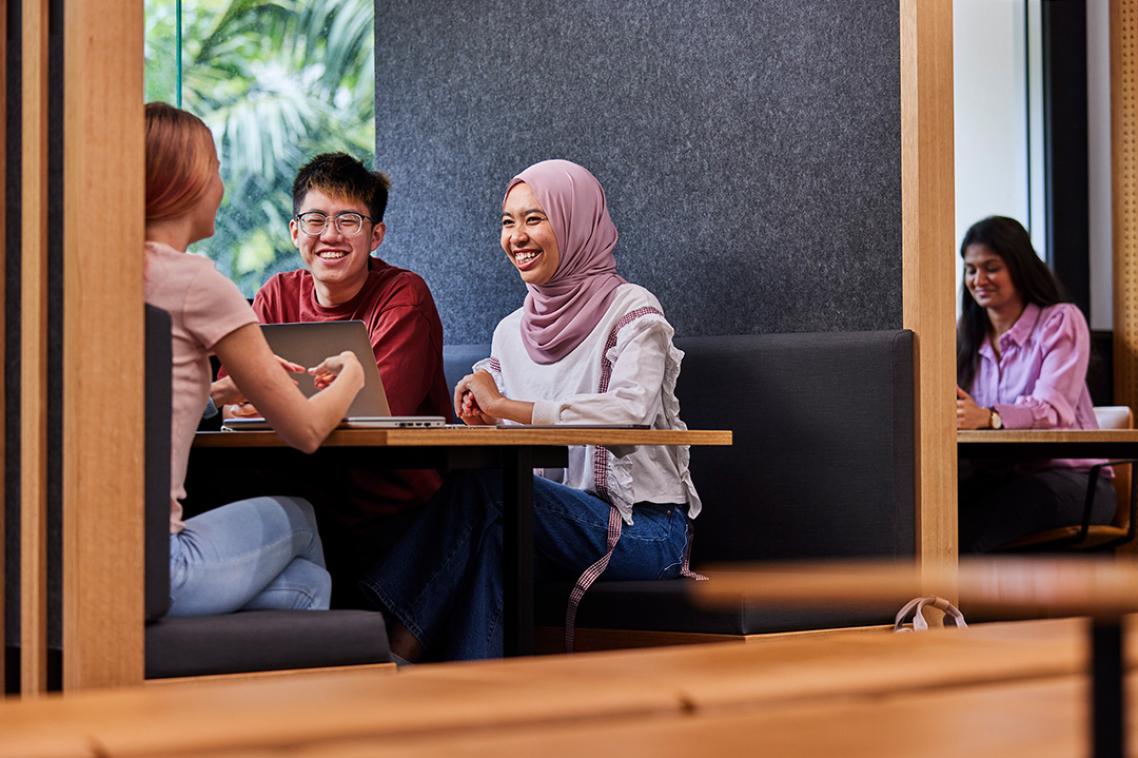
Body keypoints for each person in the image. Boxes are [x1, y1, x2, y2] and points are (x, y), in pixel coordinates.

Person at [360, 159, 702, 661]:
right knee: (492, 542)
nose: (517, 236)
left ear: (576, 221)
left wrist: (508, 406)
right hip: (549, 523)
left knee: (489, 493)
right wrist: (487, 414)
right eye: (507, 221)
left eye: (535, 218)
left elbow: (630, 410)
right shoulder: (510, 330)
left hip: (644, 533)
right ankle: (479, 708)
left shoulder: (632, 310)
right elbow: (521, 433)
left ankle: (391, 648)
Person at [144, 102, 365, 615]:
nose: (221, 188)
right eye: (217, 171)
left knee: (308, 585)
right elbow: (306, 431)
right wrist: (352, 373)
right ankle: (347, 671)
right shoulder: (196, 282)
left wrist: (216, 392)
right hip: (161, 568)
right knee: (302, 516)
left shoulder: (96, 275)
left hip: (80, 563)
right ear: (189, 181)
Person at [226, 153, 451, 604]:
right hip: (300, 495)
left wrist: (275, 405)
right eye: (315, 220)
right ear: (294, 232)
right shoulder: (273, 296)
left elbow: (380, 411)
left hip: (392, 512)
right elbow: (235, 404)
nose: (330, 235)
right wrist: (242, 405)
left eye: (349, 221)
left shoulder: (403, 297)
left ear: (376, 235)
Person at [955, 215, 1114, 552]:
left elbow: (1053, 409)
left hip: (1078, 482)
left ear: (1019, 266)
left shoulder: (1059, 320)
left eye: (991, 267)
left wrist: (989, 418)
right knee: (932, 504)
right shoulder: (966, 338)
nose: (978, 279)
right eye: (971, 269)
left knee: (975, 522)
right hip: (1004, 477)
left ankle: (959, 604)